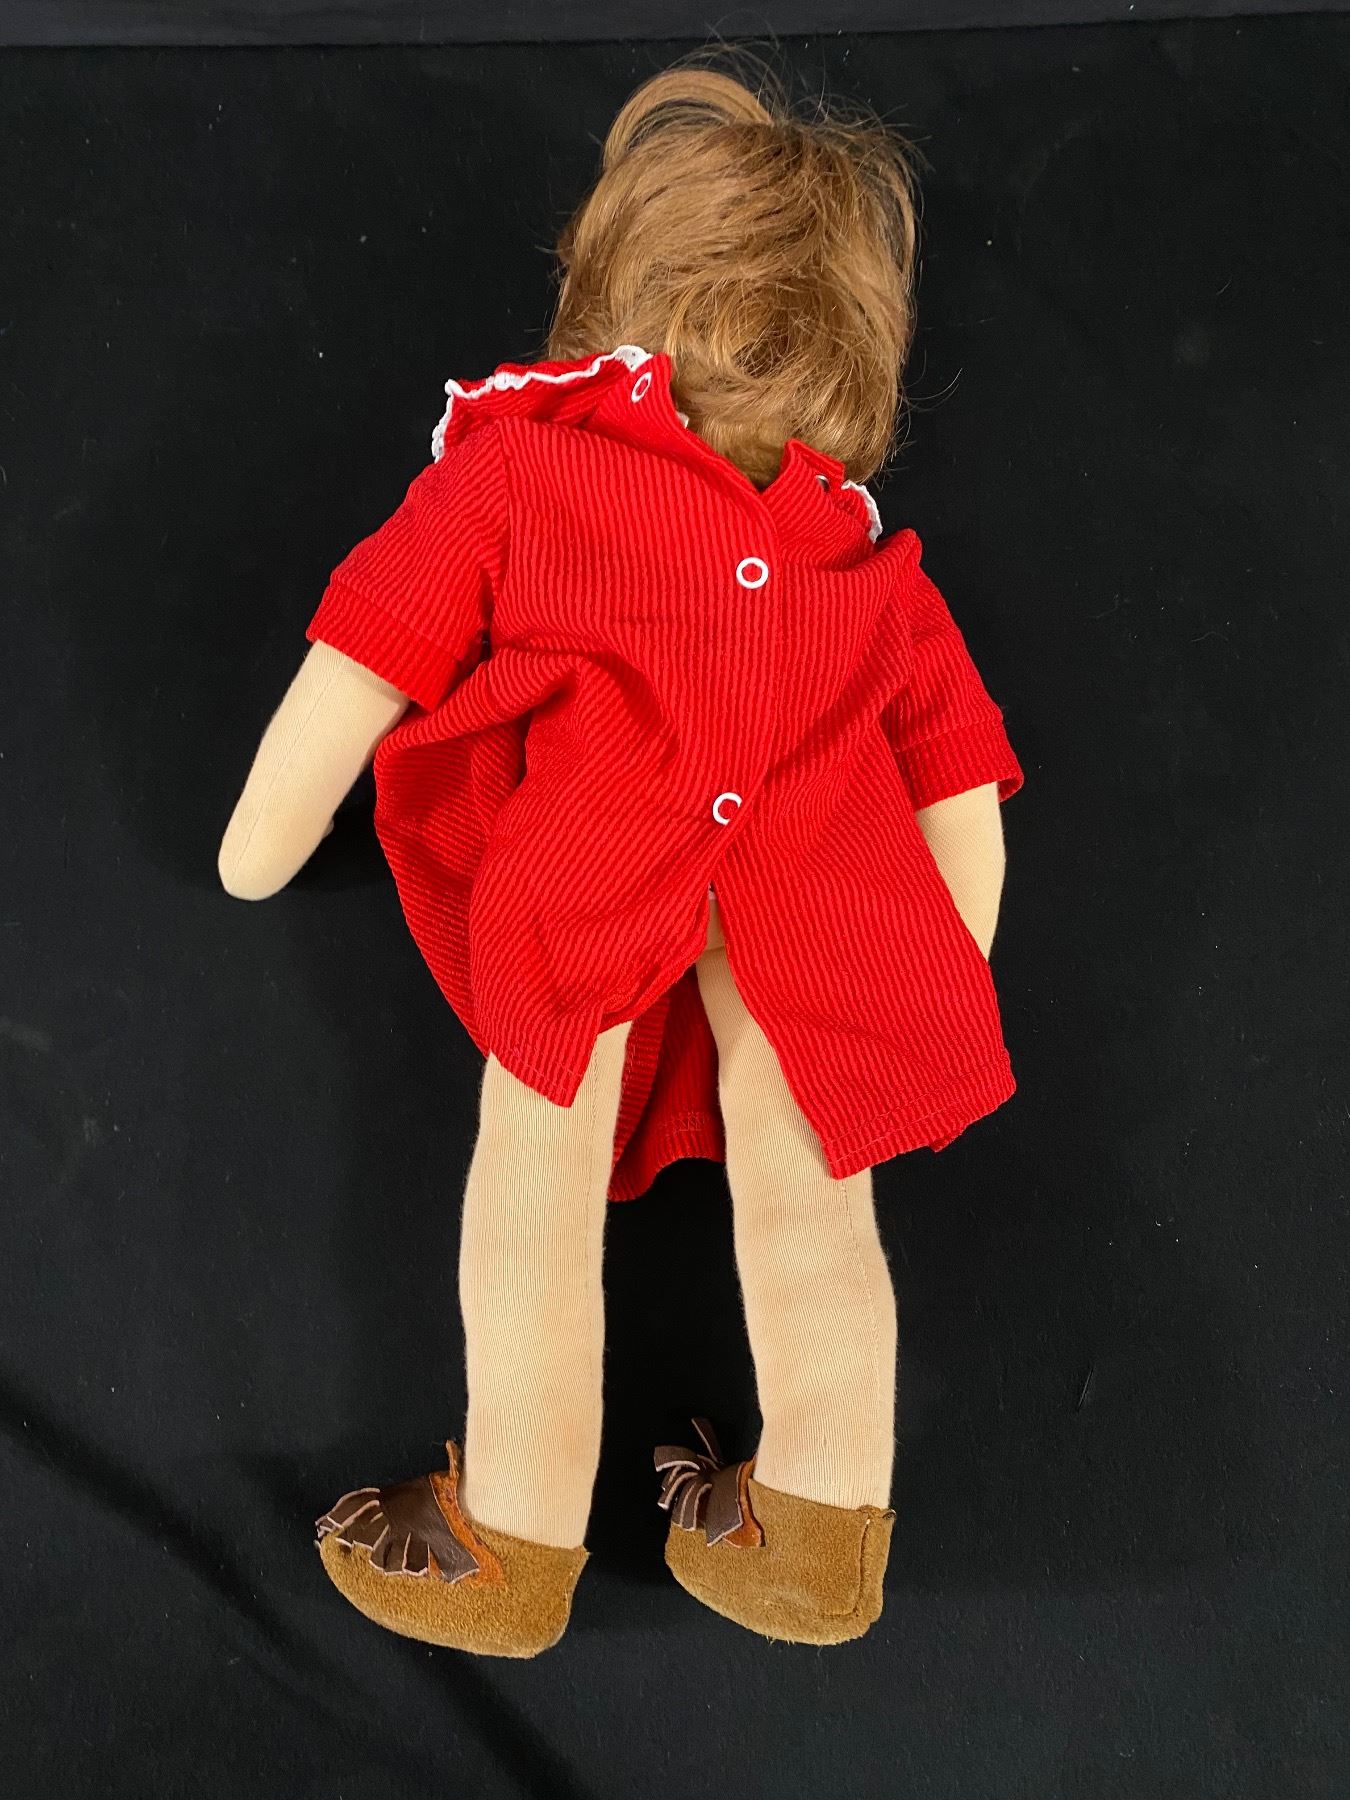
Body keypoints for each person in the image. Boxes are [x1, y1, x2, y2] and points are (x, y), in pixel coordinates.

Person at [219, 57, 1024, 1657]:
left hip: (580, 884)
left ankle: (511, 1542)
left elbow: (364, 653)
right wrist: (935, 969)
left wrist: (263, 843)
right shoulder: (858, 551)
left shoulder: (517, 471)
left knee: (531, 1194)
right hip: (824, 908)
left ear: (620, 280)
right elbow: (958, 780)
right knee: (814, 1206)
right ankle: (815, 1534)